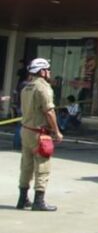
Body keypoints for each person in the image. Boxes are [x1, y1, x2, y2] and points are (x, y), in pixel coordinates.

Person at [17, 58, 63, 211]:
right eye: (47, 69)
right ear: (41, 71)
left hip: (26, 131)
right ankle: (39, 201)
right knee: (43, 165)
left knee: (26, 166)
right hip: (39, 132)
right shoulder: (43, 88)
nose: (49, 72)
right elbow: (49, 111)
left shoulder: (26, 87)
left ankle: (22, 199)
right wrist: (56, 131)